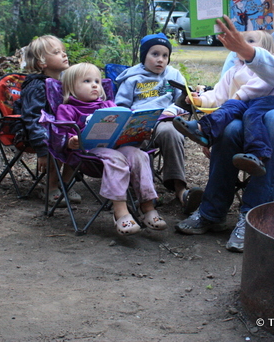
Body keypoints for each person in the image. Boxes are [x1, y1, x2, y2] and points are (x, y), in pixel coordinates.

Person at [175, 0, 274, 253]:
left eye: (255, 10)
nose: (245, 18)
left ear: (273, 9)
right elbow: (228, 91)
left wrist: (247, 50)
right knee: (230, 127)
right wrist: (213, 126)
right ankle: (211, 213)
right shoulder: (242, 40)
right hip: (249, 126)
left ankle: (253, 219)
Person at [56, 62, 166, 235]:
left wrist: (138, 132)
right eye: (86, 81)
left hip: (117, 147)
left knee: (139, 155)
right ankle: (120, 211)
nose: (94, 85)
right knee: (116, 159)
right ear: (70, 87)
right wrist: (71, 141)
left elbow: (122, 127)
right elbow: (60, 134)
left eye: (97, 82)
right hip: (88, 156)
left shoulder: (107, 106)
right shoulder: (68, 109)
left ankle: (147, 206)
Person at [172, 30, 274, 177]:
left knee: (249, 113)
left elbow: (261, 85)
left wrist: (237, 97)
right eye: (241, 40)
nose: (243, 44)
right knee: (232, 107)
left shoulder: (266, 65)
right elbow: (218, 93)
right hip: (244, 104)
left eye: (250, 41)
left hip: (269, 102)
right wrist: (201, 99)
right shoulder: (233, 71)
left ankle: (258, 155)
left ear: (266, 50)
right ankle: (202, 129)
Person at [115, 33, 203, 214]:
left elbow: (183, 102)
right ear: (143, 56)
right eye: (154, 54)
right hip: (139, 122)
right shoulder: (132, 78)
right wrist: (131, 120)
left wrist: (177, 108)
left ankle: (181, 190)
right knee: (136, 143)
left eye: (165, 55)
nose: (160, 60)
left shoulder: (173, 76)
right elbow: (121, 106)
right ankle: (146, 195)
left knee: (172, 133)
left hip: (165, 120)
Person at [17, 35, 81, 205]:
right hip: (39, 133)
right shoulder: (37, 86)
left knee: (79, 138)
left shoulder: (64, 84)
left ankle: (65, 183)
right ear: (41, 63)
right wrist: (41, 149)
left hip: (60, 129)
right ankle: (51, 187)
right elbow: (32, 118)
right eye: (57, 52)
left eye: (64, 51)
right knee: (57, 139)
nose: (64, 55)